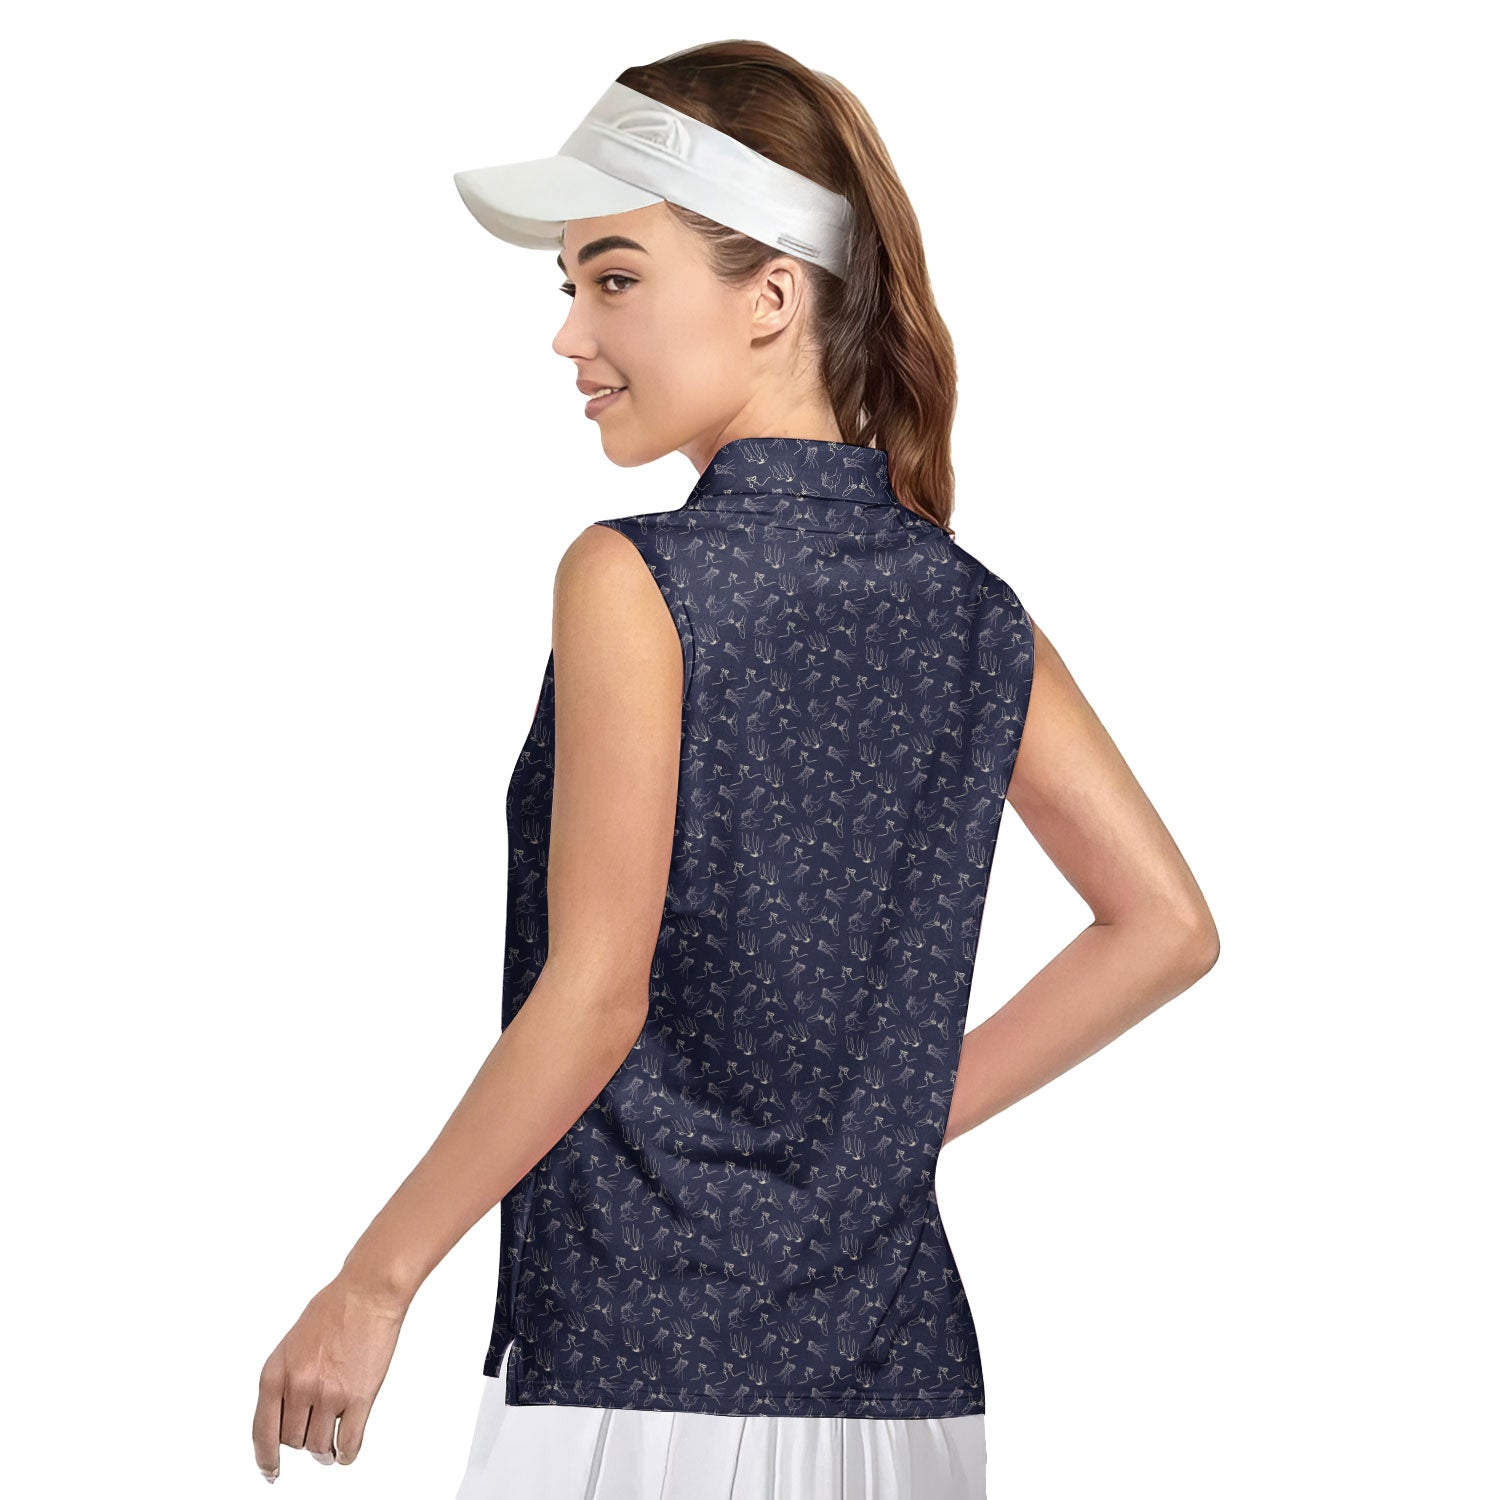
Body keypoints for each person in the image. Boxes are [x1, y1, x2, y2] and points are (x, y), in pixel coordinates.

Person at [251, 40, 1219, 1499]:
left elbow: (597, 994)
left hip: (641, 1373)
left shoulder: (635, 578)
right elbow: (1166, 927)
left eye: (615, 280)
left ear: (772, 295)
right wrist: (877, 1131)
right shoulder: (973, 610)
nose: (570, 335)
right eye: (569, 286)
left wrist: (373, 1282)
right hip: (904, 1393)